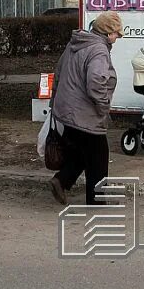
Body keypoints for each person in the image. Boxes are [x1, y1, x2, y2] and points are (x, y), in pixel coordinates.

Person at [48, 11, 122, 206]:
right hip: (85, 112)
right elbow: (96, 82)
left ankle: (61, 181)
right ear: (107, 33)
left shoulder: (77, 43)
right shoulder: (98, 50)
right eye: (116, 33)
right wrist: (103, 105)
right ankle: (95, 199)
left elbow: (59, 71)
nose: (118, 37)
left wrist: (54, 100)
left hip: (66, 109)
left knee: (82, 152)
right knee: (99, 154)